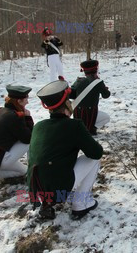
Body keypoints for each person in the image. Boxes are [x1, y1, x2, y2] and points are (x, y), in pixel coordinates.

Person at [28, 80, 103, 220]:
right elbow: (96, 152)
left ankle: (47, 203)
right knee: (94, 159)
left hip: (35, 190)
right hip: (57, 190)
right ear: (67, 105)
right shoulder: (74, 125)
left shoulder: (38, 126)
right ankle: (80, 204)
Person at [69, 60, 111, 135]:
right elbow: (106, 95)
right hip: (91, 114)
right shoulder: (98, 82)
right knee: (106, 117)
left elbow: (71, 95)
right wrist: (104, 88)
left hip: (78, 114)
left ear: (84, 71)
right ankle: (92, 129)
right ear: (96, 70)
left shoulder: (79, 81)